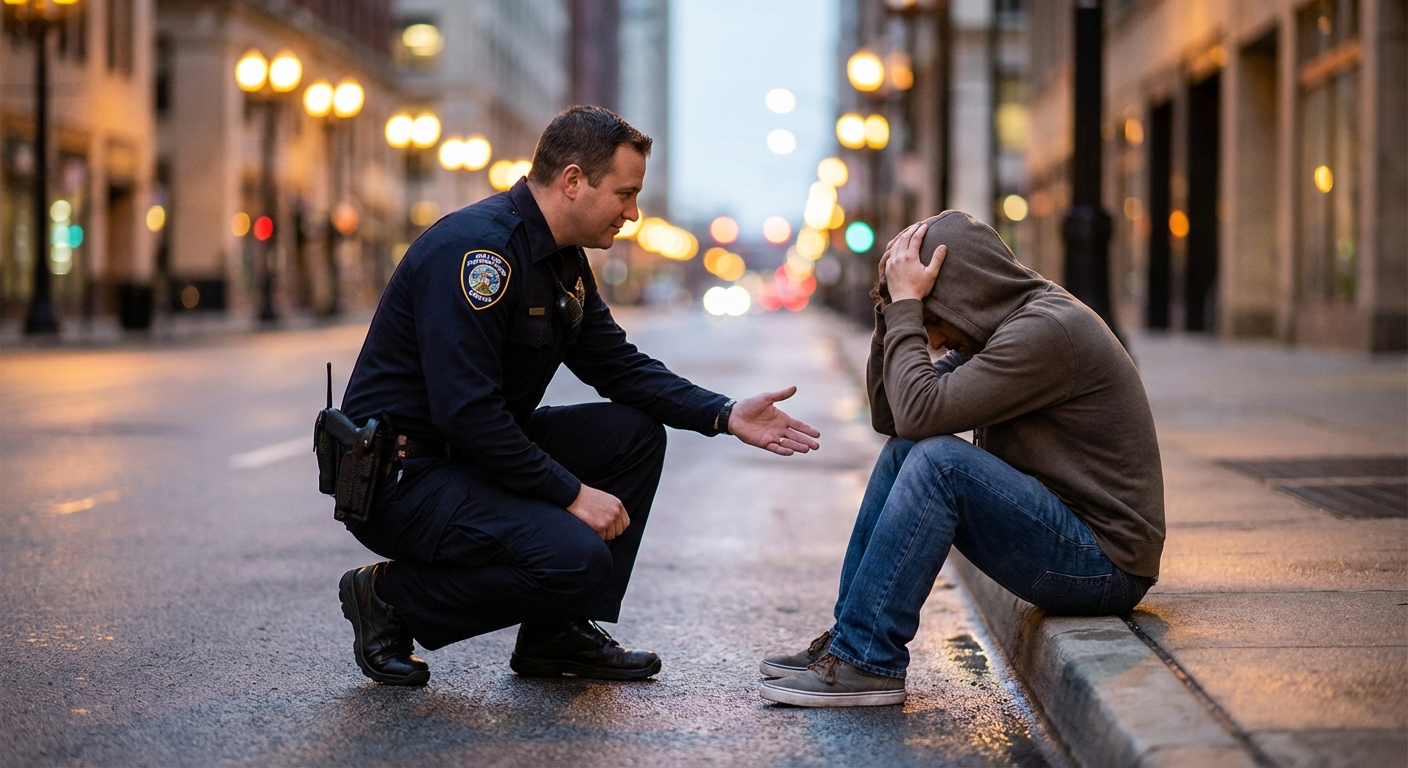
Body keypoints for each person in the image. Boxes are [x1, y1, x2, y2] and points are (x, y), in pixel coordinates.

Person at [336, 106, 821, 686]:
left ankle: (556, 635)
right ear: (572, 181)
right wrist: (571, 495)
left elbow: (616, 365)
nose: (633, 214)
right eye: (625, 194)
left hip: (467, 457)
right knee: (574, 556)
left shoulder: (562, 261)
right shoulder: (478, 254)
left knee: (633, 436)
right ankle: (390, 599)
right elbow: (466, 413)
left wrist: (722, 413)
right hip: (404, 476)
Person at [758, 212, 1164, 707]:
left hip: (1104, 566)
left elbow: (916, 411)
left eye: (933, 318)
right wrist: (893, 310)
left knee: (940, 463)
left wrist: (908, 304)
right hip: (1068, 538)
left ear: (964, 294)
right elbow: (894, 418)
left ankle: (869, 660)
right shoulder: (999, 330)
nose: (931, 340)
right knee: (910, 451)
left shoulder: (1046, 332)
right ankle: (851, 641)